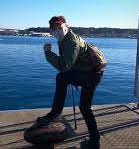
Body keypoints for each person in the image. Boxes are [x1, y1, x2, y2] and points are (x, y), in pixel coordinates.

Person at [36, 16, 104, 148]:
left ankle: (55, 113)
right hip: (93, 74)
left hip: (90, 75)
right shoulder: (64, 39)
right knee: (85, 107)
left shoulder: (71, 41)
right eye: (54, 28)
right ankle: (95, 141)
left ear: (65, 26)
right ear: (52, 31)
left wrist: (48, 53)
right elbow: (70, 62)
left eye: (59, 27)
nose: (57, 30)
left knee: (61, 77)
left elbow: (64, 66)